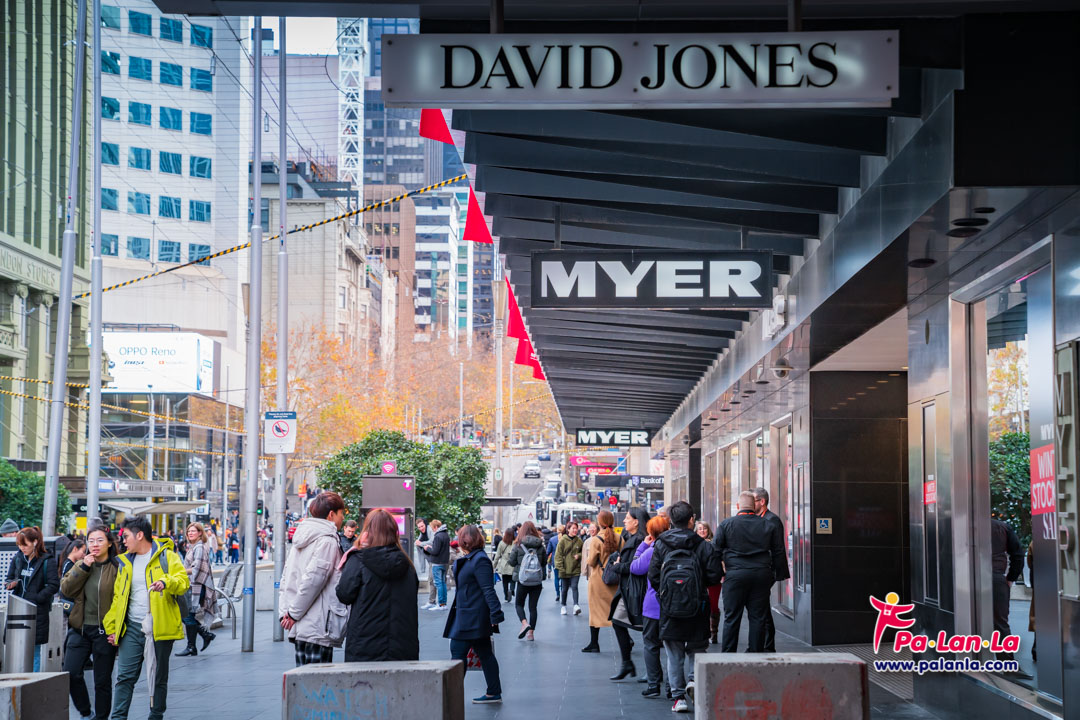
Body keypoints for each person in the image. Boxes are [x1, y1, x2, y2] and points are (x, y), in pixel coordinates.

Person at [103, 517, 190, 720]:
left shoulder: (167, 557)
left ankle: (156, 715)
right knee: (124, 677)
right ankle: (118, 718)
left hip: (159, 626)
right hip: (132, 626)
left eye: (126, 536)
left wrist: (165, 581)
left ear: (139, 535)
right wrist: (112, 627)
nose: (123, 541)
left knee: (158, 677)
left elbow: (183, 582)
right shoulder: (125, 562)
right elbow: (119, 598)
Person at [648, 501, 721, 713]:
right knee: (697, 649)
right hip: (697, 606)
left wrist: (668, 594)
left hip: (670, 607)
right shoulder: (703, 545)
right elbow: (715, 575)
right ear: (691, 520)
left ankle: (678, 697)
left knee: (674, 653)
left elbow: (653, 576)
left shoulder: (661, 544)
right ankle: (693, 681)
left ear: (671, 520)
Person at [336, 508, 419, 661]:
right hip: (403, 648)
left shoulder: (358, 560)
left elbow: (344, 594)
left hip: (364, 646)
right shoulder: (407, 565)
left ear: (368, 531)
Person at [278, 491, 348, 665]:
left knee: (303, 680)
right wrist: (293, 614)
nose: (342, 519)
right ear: (331, 514)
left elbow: (288, 577)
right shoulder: (327, 540)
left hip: (301, 623)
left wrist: (287, 612)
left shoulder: (302, 537)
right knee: (318, 685)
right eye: (341, 514)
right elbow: (313, 580)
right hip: (317, 624)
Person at [714, 491, 787, 654]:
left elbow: (715, 552)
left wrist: (720, 574)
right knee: (758, 618)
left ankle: (728, 656)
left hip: (735, 575)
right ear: (754, 506)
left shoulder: (726, 524)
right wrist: (775, 575)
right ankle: (755, 654)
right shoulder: (768, 525)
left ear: (738, 506)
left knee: (732, 618)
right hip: (761, 575)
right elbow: (778, 551)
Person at [62, 526, 120, 720]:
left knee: (102, 681)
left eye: (100, 540)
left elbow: (123, 601)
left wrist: (118, 630)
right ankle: (86, 712)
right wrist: (83, 567)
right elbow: (66, 590)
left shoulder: (118, 567)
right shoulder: (81, 564)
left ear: (110, 543)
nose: (95, 545)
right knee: (71, 673)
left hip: (105, 631)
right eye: (91, 541)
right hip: (79, 628)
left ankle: (101, 717)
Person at [444, 525, 505, 704]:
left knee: (457, 651)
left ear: (465, 540)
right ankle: (493, 692)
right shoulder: (471, 558)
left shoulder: (480, 560)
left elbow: (488, 589)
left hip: (472, 616)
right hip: (468, 614)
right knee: (484, 652)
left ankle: (452, 697)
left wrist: (496, 614)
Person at [6, 526, 60, 670]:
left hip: (36, 611)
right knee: (15, 649)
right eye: (19, 545)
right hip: (18, 609)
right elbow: (9, 578)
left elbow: (54, 585)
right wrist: (11, 584)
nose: (22, 548)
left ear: (35, 542)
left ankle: (33, 684)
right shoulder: (18, 558)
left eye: (25, 545)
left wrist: (37, 598)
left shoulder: (47, 561)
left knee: (34, 651)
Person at [609, 507, 651, 681]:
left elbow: (636, 566)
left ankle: (653, 671)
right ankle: (627, 663)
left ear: (636, 521)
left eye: (627, 518)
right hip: (627, 588)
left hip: (636, 589)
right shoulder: (629, 538)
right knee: (618, 621)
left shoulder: (641, 540)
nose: (624, 521)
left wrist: (618, 566)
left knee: (646, 628)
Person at [634, 514, 670, 699]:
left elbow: (635, 567)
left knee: (650, 644)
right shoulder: (677, 548)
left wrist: (642, 546)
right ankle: (674, 688)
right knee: (674, 646)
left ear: (651, 532)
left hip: (653, 605)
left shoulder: (651, 551)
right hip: (675, 605)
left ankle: (654, 684)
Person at [751, 488, 790, 651]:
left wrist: (774, 573)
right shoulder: (758, 518)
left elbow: (778, 549)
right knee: (761, 607)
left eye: (753, 500)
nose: (750, 504)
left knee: (762, 608)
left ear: (762, 501)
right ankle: (764, 645)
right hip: (761, 570)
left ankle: (768, 646)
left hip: (768, 570)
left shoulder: (771, 520)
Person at [175, 523, 217, 657]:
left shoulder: (198, 547)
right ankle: (202, 638)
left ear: (200, 533)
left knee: (186, 615)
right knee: (188, 615)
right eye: (188, 531)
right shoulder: (194, 547)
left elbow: (196, 568)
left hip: (196, 586)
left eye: (193, 531)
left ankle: (193, 645)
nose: (190, 533)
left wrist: (179, 570)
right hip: (194, 586)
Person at [582, 510, 620, 653]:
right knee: (616, 612)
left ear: (600, 522)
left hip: (598, 580)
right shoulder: (620, 538)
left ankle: (594, 643)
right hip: (615, 580)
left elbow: (591, 561)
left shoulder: (596, 540)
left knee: (595, 612)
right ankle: (627, 639)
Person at [507, 521, 547, 641]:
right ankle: (531, 634)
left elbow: (512, 562)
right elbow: (544, 562)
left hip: (522, 580)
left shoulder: (518, 545)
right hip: (537, 581)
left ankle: (524, 623)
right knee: (533, 607)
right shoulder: (540, 545)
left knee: (519, 604)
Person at [991, 515, 1024, 659]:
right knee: (1000, 623)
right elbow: (1018, 554)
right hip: (996, 577)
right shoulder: (1002, 527)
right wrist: (1011, 578)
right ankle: (1007, 663)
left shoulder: (960, 526)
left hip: (965, 577)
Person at [695, 521, 722, 644]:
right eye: (699, 529)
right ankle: (701, 631)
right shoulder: (693, 544)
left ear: (708, 530)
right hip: (699, 581)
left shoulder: (714, 544)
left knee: (713, 606)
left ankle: (713, 632)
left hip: (713, 582)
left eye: (704, 528)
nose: (702, 531)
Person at [554, 521, 583, 615]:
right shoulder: (563, 540)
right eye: (573, 528)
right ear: (568, 529)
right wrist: (560, 568)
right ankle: (563, 606)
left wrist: (579, 555)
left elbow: (584, 553)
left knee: (574, 587)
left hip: (575, 568)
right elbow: (558, 555)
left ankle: (576, 605)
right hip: (564, 568)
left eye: (576, 528)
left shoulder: (579, 540)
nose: (575, 530)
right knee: (565, 588)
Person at [422, 519, 450, 610]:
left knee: (438, 583)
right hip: (445, 562)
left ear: (436, 527)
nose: (432, 530)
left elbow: (435, 551)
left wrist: (427, 548)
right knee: (443, 583)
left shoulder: (438, 536)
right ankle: (443, 604)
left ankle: (441, 604)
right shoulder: (446, 535)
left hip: (437, 563)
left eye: (433, 528)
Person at [493, 529, 516, 603]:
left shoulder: (502, 543)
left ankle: (506, 595)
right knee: (513, 579)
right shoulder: (515, 543)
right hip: (513, 564)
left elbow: (497, 556)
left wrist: (494, 566)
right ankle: (512, 589)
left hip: (504, 564)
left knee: (505, 582)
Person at [547, 525, 562, 603]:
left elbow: (548, 551)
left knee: (556, 577)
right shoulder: (566, 539)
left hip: (555, 560)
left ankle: (557, 593)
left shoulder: (552, 539)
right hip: (564, 561)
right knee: (563, 578)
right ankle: (563, 592)